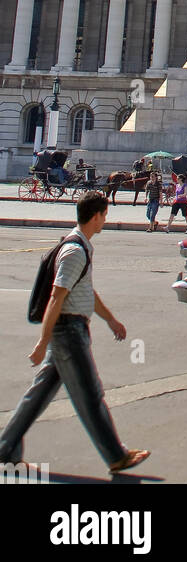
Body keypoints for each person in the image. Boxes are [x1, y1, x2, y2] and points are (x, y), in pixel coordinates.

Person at [0, 191, 149, 474]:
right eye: (105, 215)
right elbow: (57, 297)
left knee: (37, 396)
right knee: (90, 395)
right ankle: (116, 456)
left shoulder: (81, 246)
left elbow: (85, 292)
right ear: (96, 216)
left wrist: (111, 320)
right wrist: (43, 341)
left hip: (70, 328)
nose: (105, 220)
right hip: (68, 331)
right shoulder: (74, 251)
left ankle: (4, 451)